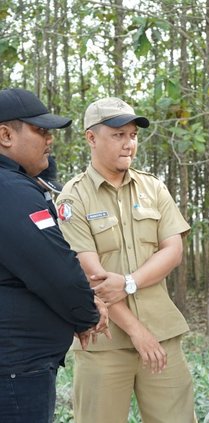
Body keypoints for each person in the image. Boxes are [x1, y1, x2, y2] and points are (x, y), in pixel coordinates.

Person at [56, 97, 196, 423]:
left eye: (132, 135)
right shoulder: (73, 197)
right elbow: (93, 277)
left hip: (162, 335)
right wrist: (136, 330)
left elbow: (172, 250)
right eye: (118, 135)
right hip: (104, 341)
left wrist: (130, 282)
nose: (129, 144)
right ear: (91, 138)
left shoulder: (153, 187)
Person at [0, 87, 108, 423]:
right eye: (40, 131)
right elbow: (55, 270)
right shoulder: (10, 190)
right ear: (5, 134)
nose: (50, 140)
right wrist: (87, 312)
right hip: (16, 368)